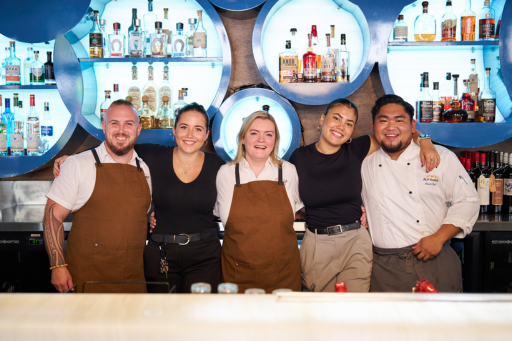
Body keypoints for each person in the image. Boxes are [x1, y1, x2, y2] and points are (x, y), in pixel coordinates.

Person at [54, 103, 225, 294]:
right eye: (184, 127)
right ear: (174, 130)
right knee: (161, 319)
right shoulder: (153, 155)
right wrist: (72, 158)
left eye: (198, 129)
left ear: (207, 135)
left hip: (205, 257)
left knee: (200, 317)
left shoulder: (218, 166)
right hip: (162, 255)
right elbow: (117, 143)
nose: (190, 135)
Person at [289, 98, 440, 292]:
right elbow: (293, 202)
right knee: (320, 311)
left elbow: (395, 134)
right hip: (317, 245)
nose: (341, 126)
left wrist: (425, 141)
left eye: (349, 123)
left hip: (356, 242)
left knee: (356, 310)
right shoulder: (299, 158)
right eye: (336, 118)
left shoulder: (359, 148)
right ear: (322, 119)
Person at [362, 95, 479, 292]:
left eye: (399, 120)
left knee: (442, 321)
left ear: (413, 125)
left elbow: (468, 200)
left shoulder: (441, 156)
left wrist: (439, 237)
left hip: (435, 258)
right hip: (384, 267)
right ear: (373, 127)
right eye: (384, 121)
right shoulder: (365, 162)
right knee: (387, 322)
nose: (391, 127)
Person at [44, 100, 152, 293]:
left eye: (129, 124)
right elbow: (53, 217)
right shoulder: (77, 164)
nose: (121, 130)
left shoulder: (143, 168)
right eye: (114, 123)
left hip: (133, 281)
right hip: (87, 279)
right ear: (103, 127)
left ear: (138, 129)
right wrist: (58, 266)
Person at [215, 110, 303, 293]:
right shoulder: (226, 173)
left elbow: (299, 210)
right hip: (237, 272)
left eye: (268, 134)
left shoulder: (288, 171)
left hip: (283, 273)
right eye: (254, 133)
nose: (261, 140)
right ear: (242, 139)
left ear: (275, 141)